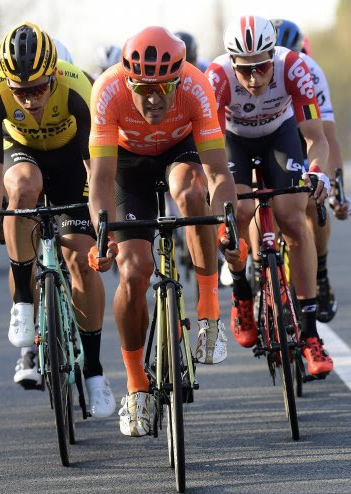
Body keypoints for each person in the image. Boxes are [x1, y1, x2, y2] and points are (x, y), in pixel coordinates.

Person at [87, 26, 242, 437]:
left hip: (179, 151)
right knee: (134, 271)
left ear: (178, 78)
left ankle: (209, 313)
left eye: (164, 87)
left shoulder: (196, 85)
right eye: (143, 88)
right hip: (128, 166)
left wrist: (228, 222)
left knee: (192, 193)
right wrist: (102, 236)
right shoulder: (106, 90)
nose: (154, 99)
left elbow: (218, 173)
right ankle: (136, 384)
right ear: (127, 80)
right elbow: (101, 180)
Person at [0, 22, 115, 418]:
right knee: (21, 187)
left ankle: (95, 371)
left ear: (53, 75)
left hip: (72, 162)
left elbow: (97, 170)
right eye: (21, 92)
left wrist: (103, 225)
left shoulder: (80, 89)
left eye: (38, 89)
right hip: (24, 155)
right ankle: (22, 304)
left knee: (82, 260)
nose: (30, 100)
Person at [205, 15, 333, 377]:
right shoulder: (216, 78)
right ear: (231, 62)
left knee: (293, 217)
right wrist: (216, 195)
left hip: (281, 134)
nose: (253, 78)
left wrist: (317, 172)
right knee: (239, 212)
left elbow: (316, 138)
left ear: (271, 59)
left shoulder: (293, 67)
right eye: (244, 70)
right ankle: (242, 291)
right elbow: (209, 150)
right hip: (233, 141)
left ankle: (310, 335)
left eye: (261, 68)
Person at [272, 18, 351, 322]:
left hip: (300, 134)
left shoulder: (309, 71)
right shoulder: (250, 71)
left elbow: (327, 137)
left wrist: (336, 191)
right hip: (261, 136)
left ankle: (320, 272)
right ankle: (259, 273)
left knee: (312, 201)